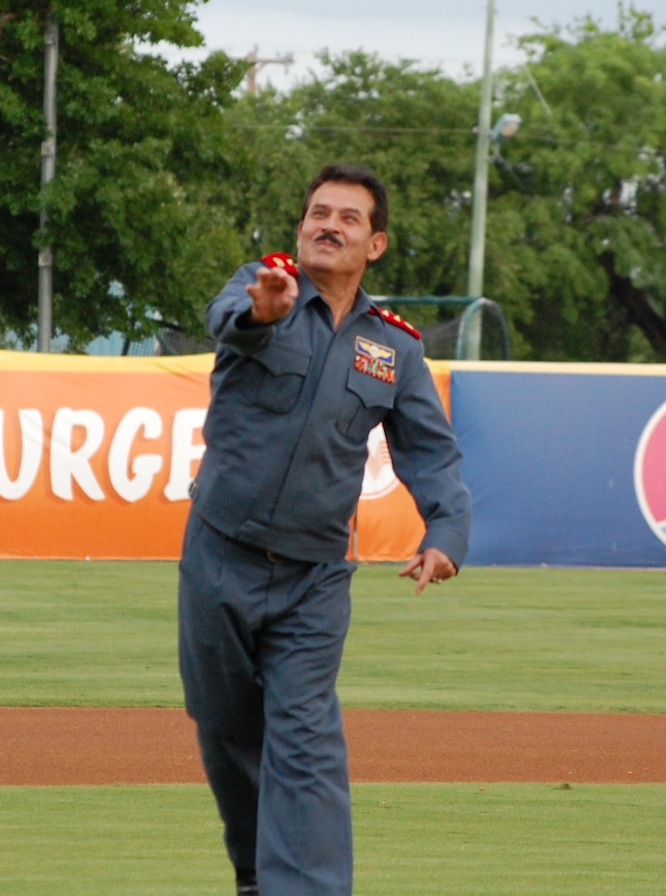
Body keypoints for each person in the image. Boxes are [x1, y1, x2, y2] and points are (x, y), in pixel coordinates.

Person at [179, 163, 473, 896]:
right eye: (317, 212)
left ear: (375, 244)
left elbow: (431, 453)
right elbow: (231, 322)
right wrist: (264, 314)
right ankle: (256, 873)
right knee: (226, 733)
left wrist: (445, 534)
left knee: (305, 745)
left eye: (347, 217)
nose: (327, 224)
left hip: (314, 579)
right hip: (220, 557)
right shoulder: (260, 285)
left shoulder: (394, 348)